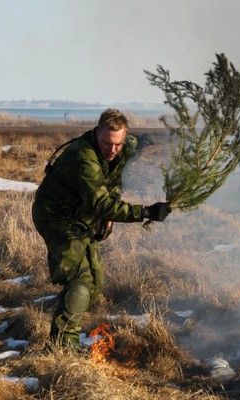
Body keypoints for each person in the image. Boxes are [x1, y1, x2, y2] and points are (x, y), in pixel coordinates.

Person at [32, 108, 171, 350]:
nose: (112, 149)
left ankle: (66, 319)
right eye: (107, 142)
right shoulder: (83, 157)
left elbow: (123, 161)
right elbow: (100, 203)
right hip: (56, 216)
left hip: (80, 215)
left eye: (118, 144)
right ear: (97, 133)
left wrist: (148, 141)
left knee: (94, 282)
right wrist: (145, 212)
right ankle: (63, 346)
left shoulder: (122, 145)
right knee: (80, 278)